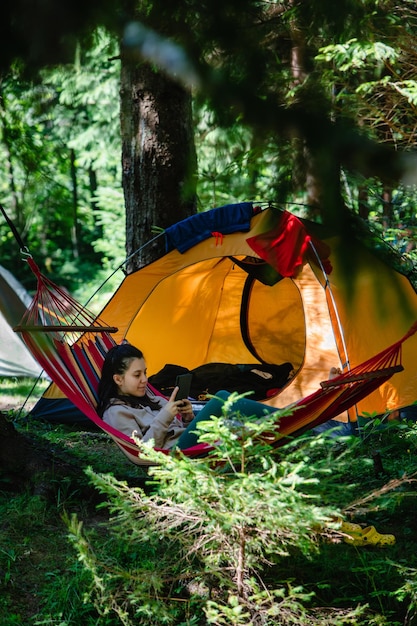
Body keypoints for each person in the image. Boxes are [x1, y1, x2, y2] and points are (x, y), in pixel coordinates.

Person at [97, 343, 295, 451]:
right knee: (222, 398)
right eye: (137, 375)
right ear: (118, 379)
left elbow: (175, 431)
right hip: (176, 454)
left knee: (239, 422)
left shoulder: (149, 399)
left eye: (145, 373)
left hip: (189, 440)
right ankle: (294, 418)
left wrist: (188, 418)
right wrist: (165, 416)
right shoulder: (116, 413)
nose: (144, 380)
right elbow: (142, 451)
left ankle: (295, 423)